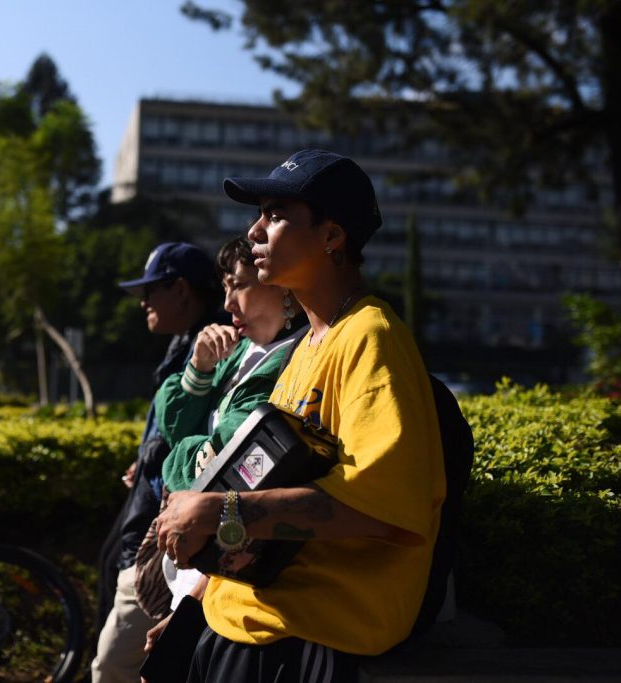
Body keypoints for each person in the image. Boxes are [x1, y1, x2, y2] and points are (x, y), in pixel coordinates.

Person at [154, 149, 446, 682]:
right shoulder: (311, 345)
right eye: (259, 214)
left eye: (276, 214)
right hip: (242, 626)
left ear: (332, 237)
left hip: (301, 643)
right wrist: (194, 607)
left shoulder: (370, 337)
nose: (255, 230)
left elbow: (382, 507)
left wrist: (217, 510)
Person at [148, 236, 306, 614]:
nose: (226, 303)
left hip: (226, 569)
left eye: (237, 285)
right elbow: (173, 427)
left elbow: (221, 462)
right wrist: (199, 368)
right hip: (195, 556)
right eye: (224, 288)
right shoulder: (237, 350)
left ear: (280, 283)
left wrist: (177, 461)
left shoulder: (295, 358)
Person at [91, 242, 222, 683]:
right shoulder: (185, 343)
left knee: (117, 663)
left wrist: (156, 461)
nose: (143, 302)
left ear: (181, 290)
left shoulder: (212, 346)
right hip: (151, 518)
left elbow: (195, 437)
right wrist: (146, 458)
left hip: (164, 533)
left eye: (151, 291)